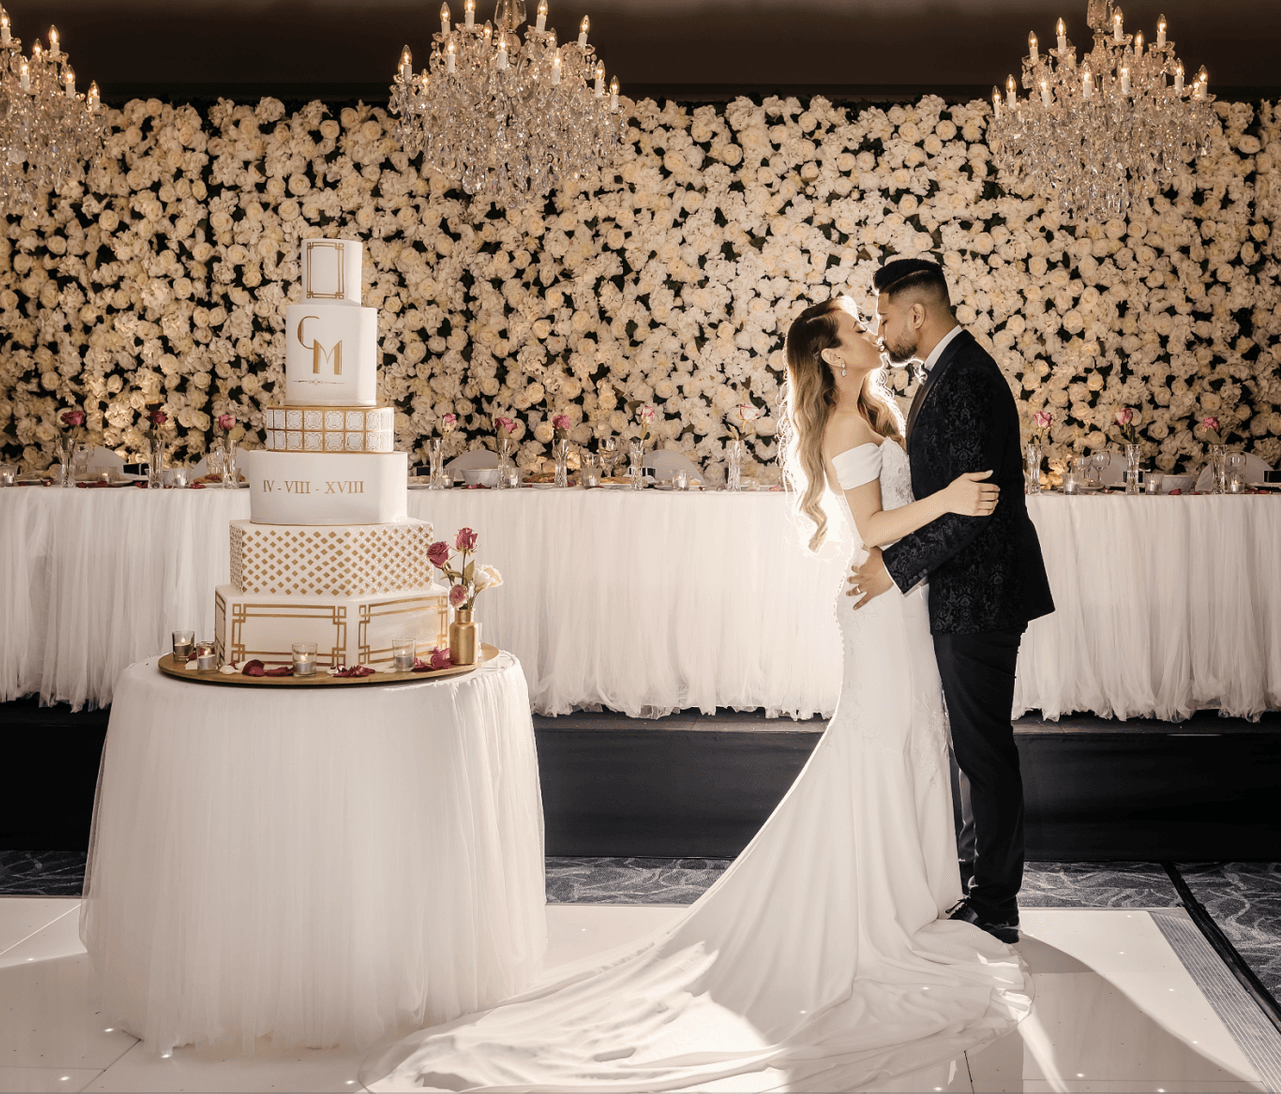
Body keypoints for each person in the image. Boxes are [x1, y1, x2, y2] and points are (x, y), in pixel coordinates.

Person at [362, 295, 1030, 1091]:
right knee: (885, 744)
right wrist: (952, 500)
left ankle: (917, 892)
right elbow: (875, 528)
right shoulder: (848, 427)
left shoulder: (875, 413)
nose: (870, 336)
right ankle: (880, 902)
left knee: (913, 740)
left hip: (900, 604)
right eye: (857, 330)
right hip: (883, 612)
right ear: (833, 358)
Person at [846, 259, 1054, 945]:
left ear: (915, 315)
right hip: (968, 592)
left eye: (882, 317)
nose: (880, 330)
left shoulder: (964, 377)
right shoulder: (948, 372)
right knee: (972, 747)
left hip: (982, 595)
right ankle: (978, 881)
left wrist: (892, 571)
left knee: (984, 750)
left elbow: (972, 509)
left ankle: (996, 899)